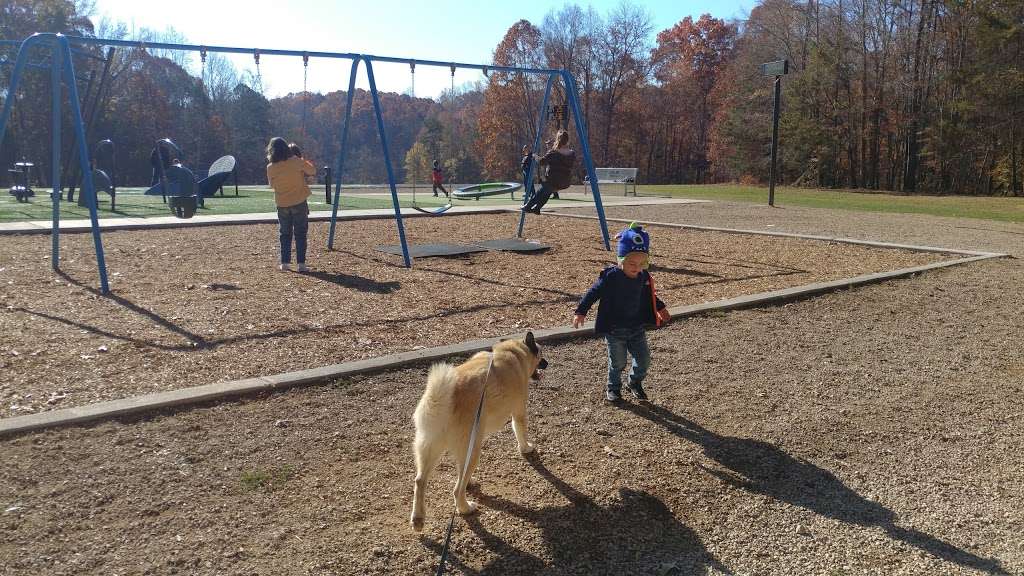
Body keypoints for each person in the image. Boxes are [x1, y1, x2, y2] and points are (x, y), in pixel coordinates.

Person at [572, 222, 671, 403]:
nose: (636, 267)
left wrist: (661, 307)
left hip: (636, 328)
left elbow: (649, 296)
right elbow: (593, 292)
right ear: (621, 259)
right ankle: (613, 387)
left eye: (642, 263)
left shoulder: (643, 277)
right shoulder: (611, 276)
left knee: (644, 360)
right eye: (631, 263)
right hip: (615, 329)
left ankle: (634, 382)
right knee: (617, 362)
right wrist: (581, 311)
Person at [266, 137, 315, 272]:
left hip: (282, 203)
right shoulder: (296, 161)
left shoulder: (270, 167)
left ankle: (285, 263)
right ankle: (301, 264)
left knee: (285, 233)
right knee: (300, 233)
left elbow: (271, 185)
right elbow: (312, 171)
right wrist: (302, 163)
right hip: (299, 201)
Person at [521, 130, 573, 214]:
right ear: (567, 140)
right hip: (566, 182)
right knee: (547, 191)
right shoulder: (572, 153)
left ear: (558, 140)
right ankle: (537, 208)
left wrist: (535, 156)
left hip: (554, 181)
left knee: (543, 189)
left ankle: (528, 206)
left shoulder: (553, 152)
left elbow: (542, 162)